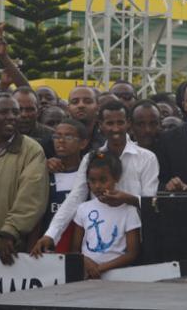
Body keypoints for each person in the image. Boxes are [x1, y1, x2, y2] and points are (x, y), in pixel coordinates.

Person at [31, 101, 158, 256]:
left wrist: (127, 199)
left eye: (120, 123)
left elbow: (151, 202)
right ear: (101, 125)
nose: (116, 129)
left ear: (128, 124)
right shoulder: (90, 158)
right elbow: (75, 197)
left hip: (137, 240)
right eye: (110, 123)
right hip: (98, 246)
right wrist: (51, 234)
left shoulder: (147, 158)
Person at [0, 93, 48, 263]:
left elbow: (31, 198)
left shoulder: (31, 150)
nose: (11, 117)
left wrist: (11, 230)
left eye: (15, 112)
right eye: (4, 112)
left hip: (3, 239)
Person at [71, 151, 141, 279]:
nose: (97, 186)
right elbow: (75, 249)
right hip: (87, 274)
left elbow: (132, 253)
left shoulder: (129, 210)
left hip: (117, 276)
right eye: (92, 181)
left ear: (116, 178)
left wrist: (101, 268)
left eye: (103, 180)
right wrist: (87, 263)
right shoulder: (83, 209)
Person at [33, 118, 88, 253]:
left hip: (84, 247)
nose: (61, 141)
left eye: (68, 136)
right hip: (48, 246)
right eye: (57, 136)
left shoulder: (91, 175)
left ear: (83, 143)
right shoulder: (45, 172)